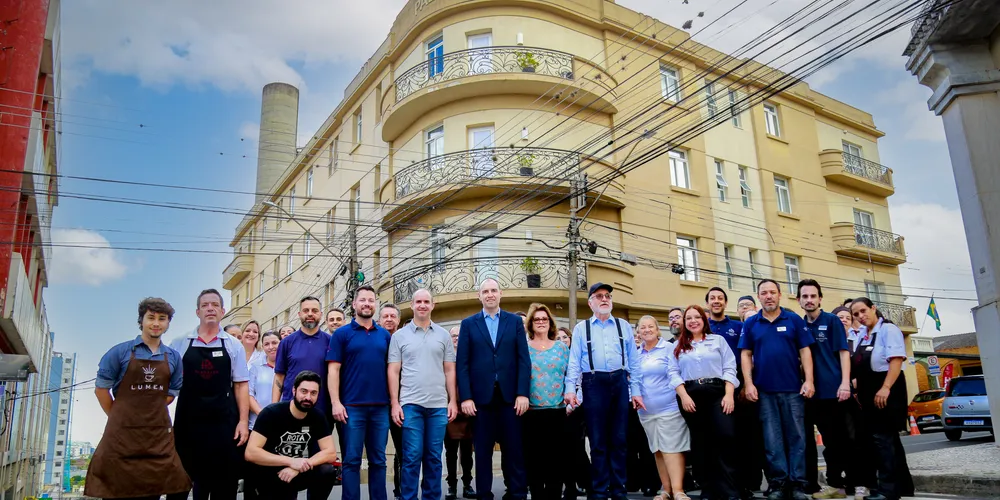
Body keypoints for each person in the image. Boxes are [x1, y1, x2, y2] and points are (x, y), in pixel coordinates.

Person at [86, 297, 191, 500]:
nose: (156, 323)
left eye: (162, 319)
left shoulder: (173, 357)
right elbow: (101, 390)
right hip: (121, 435)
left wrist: (149, 409)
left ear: (168, 323)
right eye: (151, 317)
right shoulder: (120, 352)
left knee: (152, 489)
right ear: (141, 320)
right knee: (116, 488)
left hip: (156, 436)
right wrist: (118, 415)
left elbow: (172, 392)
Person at [564, 282, 645, 500]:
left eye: (607, 295)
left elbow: (634, 362)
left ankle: (619, 490)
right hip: (593, 383)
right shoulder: (582, 328)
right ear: (590, 302)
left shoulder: (623, 326)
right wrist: (570, 389)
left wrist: (636, 391)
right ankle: (599, 491)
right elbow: (574, 362)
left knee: (619, 439)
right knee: (597, 440)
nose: (604, 299)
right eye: (599, 296)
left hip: (619, 381)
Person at [170, 289, 250, 500]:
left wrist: (243, 422)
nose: (210, 309)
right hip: (188, 422)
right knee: (180, 480)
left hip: (223, 422)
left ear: (222, 311)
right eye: (205, 305)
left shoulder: (233, 345)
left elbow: (241, 385)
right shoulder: (180, 343)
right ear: (197, 312)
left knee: (223, 482)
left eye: (215, 305)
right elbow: (168, 384)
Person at [739, 280, 815, 500]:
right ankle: (778, 484)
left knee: (797, 438)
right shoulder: (751, 323)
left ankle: (798, 484)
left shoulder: (793, 319)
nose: (768, 296)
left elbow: (805, 351)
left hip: (793, 390)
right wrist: (749, 383)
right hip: (764, 392)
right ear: (759, 297)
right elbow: (745, 354)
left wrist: (809, 380)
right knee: (772, 441)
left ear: (779, 295)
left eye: (772, 292)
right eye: (764, 293)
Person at [457, 278, 531, 500]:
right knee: (482, 452)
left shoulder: (514, 322)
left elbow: (523, 360)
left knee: (514, 450)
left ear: (501, 294)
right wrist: (466, 397)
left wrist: (522, 393)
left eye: (493, 290)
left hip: (510, 399)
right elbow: (462, 364)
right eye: (485, 291)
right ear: (479, 296)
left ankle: (518, 494)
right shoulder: (468, 324)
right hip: (480, 401)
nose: (490, 294)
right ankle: (484, 495)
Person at [388, 288, 458, 500]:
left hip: (438, 406)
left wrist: (453, 401)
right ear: (412, 305)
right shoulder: (399, 336)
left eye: (426, 302)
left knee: (434, 458)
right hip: (411, 405)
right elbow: (393, 370)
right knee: (411, 457)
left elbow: (450, 370)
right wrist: (395, 403)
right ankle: (408, 497)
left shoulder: (443, 335)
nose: (422, 305)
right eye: (418, 301)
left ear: (432, 305)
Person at [327, 285, 392, 500]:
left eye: (371, 300)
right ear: (354, 304)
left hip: (380, 408)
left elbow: (392, 371)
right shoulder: (342, 334)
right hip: (352, 408)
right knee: (351, 461)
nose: (367, 304)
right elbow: (333, 370)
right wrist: (336, 402)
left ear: (375, 304)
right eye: (362, 300)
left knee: (379, 461)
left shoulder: (384, 335)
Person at [669, 305, 740, 500]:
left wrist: (729, 395)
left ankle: (730, 490)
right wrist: (684, 396)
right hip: (691, 396)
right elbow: (673, 373)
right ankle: (708, 490)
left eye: (697, 317)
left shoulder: (718, 340)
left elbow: (730, 367)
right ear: (684, 323)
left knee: (725, 436)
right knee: (701, 443)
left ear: (704, 320)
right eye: (689, 318)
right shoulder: (678, 346)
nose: (693, 321)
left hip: (718, 393)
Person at [794, 280, 856, 499]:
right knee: (809, 443)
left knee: (837, 441)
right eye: (805, 296)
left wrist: (845, 383)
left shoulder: (832, 321)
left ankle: (845, 484)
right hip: (809, 394)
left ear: (820, 298)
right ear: (798, 300)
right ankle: (816, 484)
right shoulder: (799, 324)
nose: (809, 300)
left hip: (833, 391)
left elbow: (844, 353)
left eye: (813, 296)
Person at [849, 298, 914, 500]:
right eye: (856, 314)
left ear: (873, 308)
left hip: (887, 389)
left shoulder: (888, 330)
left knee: (883, 440)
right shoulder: (862, 335)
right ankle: (903, 486)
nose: (861, 316)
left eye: (863, 311)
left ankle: (888, 490)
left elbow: (896, 360)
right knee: (889, 441)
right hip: (868, 392)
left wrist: (885, 388)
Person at [244, 371, 339, 499]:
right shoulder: (271, 414)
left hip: (297, 471)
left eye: (313, 393)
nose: (308, 397)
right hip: (270, 471)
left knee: (326, 471)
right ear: (294, 391)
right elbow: (251, 453)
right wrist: (291, 462)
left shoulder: (318, 417)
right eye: (304, 391)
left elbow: (331, 453)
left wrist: (301, 465)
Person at [707, 288, 761, 499]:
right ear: (708, 303)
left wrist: (747, 385)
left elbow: (748, 355)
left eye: (720, 298)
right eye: (712, 298)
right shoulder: (703, 326)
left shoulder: (738, 327)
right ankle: (716, 485)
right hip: (712, 389)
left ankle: (744, 484)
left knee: (742, 437)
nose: (716, 301)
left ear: (725, 302)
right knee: (716, 439)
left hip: (738, 387)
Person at [635, 315, 690, 500]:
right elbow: (633, 380)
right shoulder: (636, 354)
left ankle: (678, 490)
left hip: (669, 408)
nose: (647, 330)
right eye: (643, 327)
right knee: (657, 450)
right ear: (638, 332)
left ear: (658, 329)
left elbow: (677, 374)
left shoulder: (669, 348)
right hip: (646, 412)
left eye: (651, 326)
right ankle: (666, 490)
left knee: (672, 449)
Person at [522, 303, 570, 500]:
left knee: (556, 462)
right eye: (536, 319)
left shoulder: (561, 348)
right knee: (534, 462)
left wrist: (571, 398)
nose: (541, 322)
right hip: (531, 413)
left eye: (544, 318)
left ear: (550, 322)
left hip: (558, 411)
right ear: (530, 323)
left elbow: (571, 376)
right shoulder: (523, 349)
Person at [274, 297, 332, 419]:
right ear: (299, 314)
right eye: (306, 310)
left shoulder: (330, 342)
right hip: (291, 409)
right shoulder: (287, 342)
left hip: (322, 410)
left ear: (321, 314)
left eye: (314, 310)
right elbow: (279, 377)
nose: (310, 314)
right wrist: (274, 408)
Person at [246, 330, 281, 500]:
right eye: (267, 344)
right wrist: (264, 415)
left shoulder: (288, 365)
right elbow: (248, 394)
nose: (271, 347)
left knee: (277, 475)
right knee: (255, 474)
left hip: (281, 427)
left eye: (275, 343)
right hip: (258, 426)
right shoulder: (255, 368)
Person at [557, 326, 590, 500]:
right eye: (558, 338)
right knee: (563, 451)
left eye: (565, 337)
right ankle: (570, 487)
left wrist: (574, 404)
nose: (562, 340)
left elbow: (582, 383)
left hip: (576, 409)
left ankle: (588, 483)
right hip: (558, 409)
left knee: (577, 450)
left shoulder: (577, 357)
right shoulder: (555, 356)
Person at [445, 326, 475, 500]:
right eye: (453, 335)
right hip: (449, 408)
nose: (457, 338)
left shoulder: (470, 356)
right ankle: (452, 485)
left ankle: (467, 484)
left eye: (459, 335)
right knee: (450, 451)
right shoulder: (444, 357)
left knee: (467, 452)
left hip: (467, 409)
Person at [379, 303, 405, 500]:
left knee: (403, 450)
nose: (389, 319)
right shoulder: (374, 340)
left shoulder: (405, 339)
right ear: (379, 320)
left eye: (392, 316)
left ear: (398, 319)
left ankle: (400, 492)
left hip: (402, 403)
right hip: (377, 403)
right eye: (385, 316)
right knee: (377, 453)